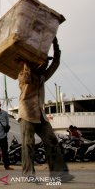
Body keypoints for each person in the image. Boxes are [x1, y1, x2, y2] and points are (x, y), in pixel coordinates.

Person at [18, 37, 74, 182]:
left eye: (46, 61)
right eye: (44, 61)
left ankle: (59, 174)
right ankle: (28, 175)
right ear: (36, 63)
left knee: (52, 141)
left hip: (40, 115)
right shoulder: (23, 74)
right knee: (28, 144)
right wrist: (27, 63)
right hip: (27, 114)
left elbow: (56, 63)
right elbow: (27, 79)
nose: (46, 63)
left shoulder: (43, 77)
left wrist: (56, 45)